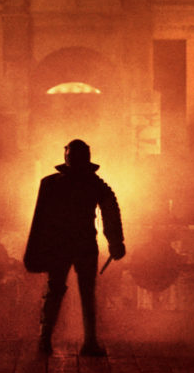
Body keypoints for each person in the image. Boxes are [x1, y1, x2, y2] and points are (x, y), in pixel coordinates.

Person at [23, 139, 125, 356]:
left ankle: (45, 340)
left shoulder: (51, 184)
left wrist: (39, 249)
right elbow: (110, 210)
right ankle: (89, 343)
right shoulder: (93, 184)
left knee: (55, 290)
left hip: (59, 245)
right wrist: (115, 242)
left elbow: (40, 221)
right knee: (86, 293)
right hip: (83, 244)